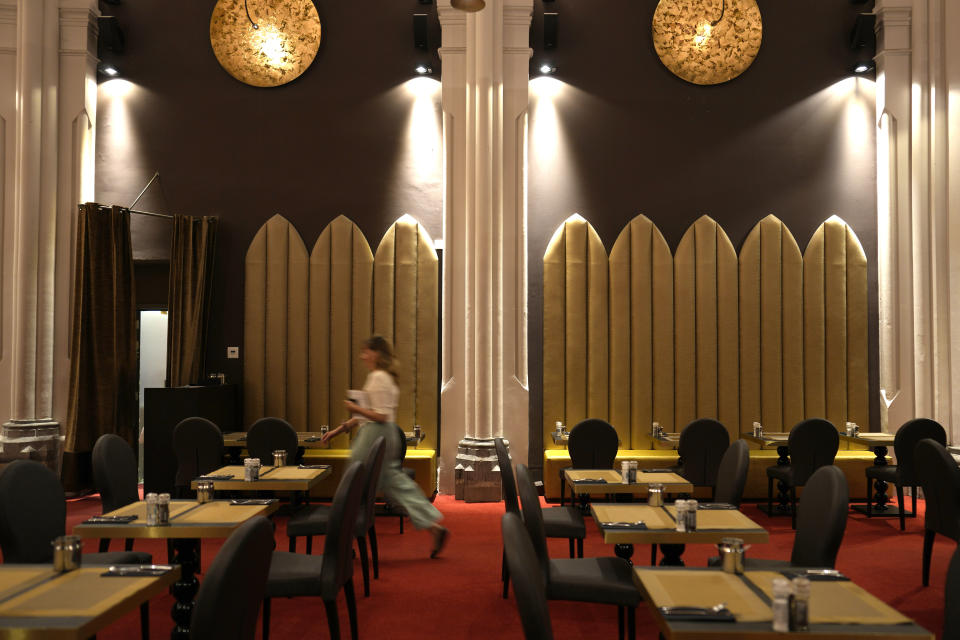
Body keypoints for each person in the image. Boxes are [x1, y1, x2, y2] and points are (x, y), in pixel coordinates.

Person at [321, 335, 449, 558]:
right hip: (384, 433)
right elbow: (371, 414)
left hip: (374, 435)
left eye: (366, 351)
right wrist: (339, 430)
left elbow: (378, 415)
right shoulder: (384, 377)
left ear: (377, 353)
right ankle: (434, 527)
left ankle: (343, 543)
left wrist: (355, 408)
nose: (362, 356)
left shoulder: (378, 377)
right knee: (395, 484)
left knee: (352, 485)